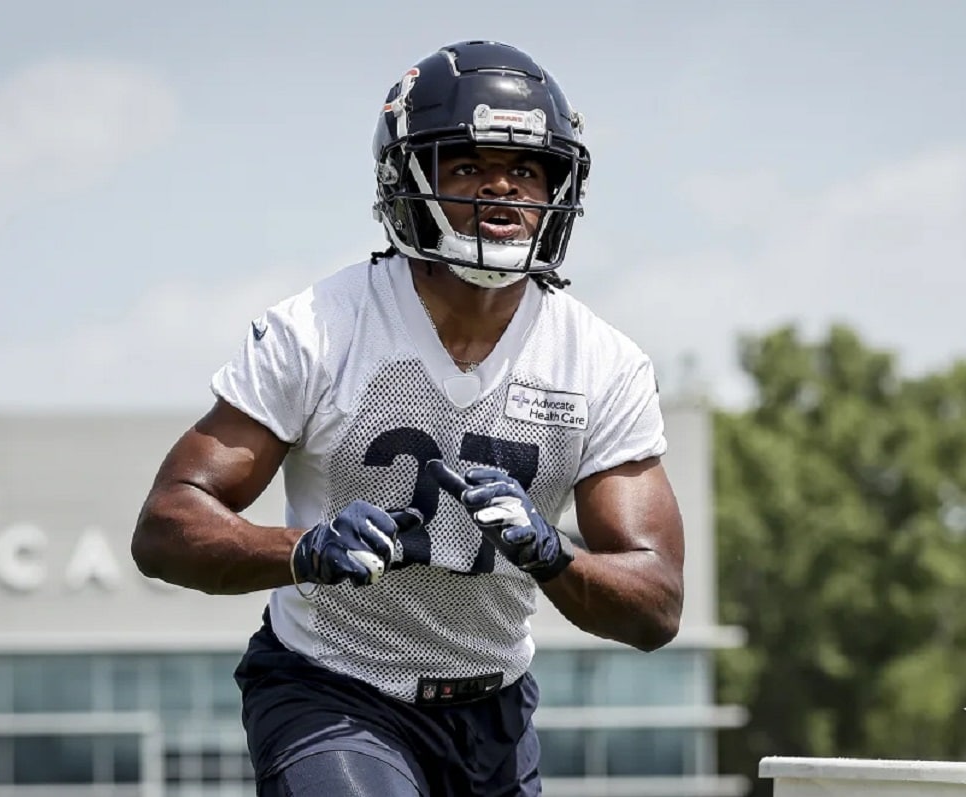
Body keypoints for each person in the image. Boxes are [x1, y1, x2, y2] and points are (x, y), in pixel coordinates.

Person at [132, 39, 685, 796]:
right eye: (468, 166)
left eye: (525, 169)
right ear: (408, 178)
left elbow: (657, 602)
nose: (502, 191)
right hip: (333, 685)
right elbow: (166, 524)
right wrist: (304, 549)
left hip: (494, 709)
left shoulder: (600, 362)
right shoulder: (323, 329)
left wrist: (554, 552)